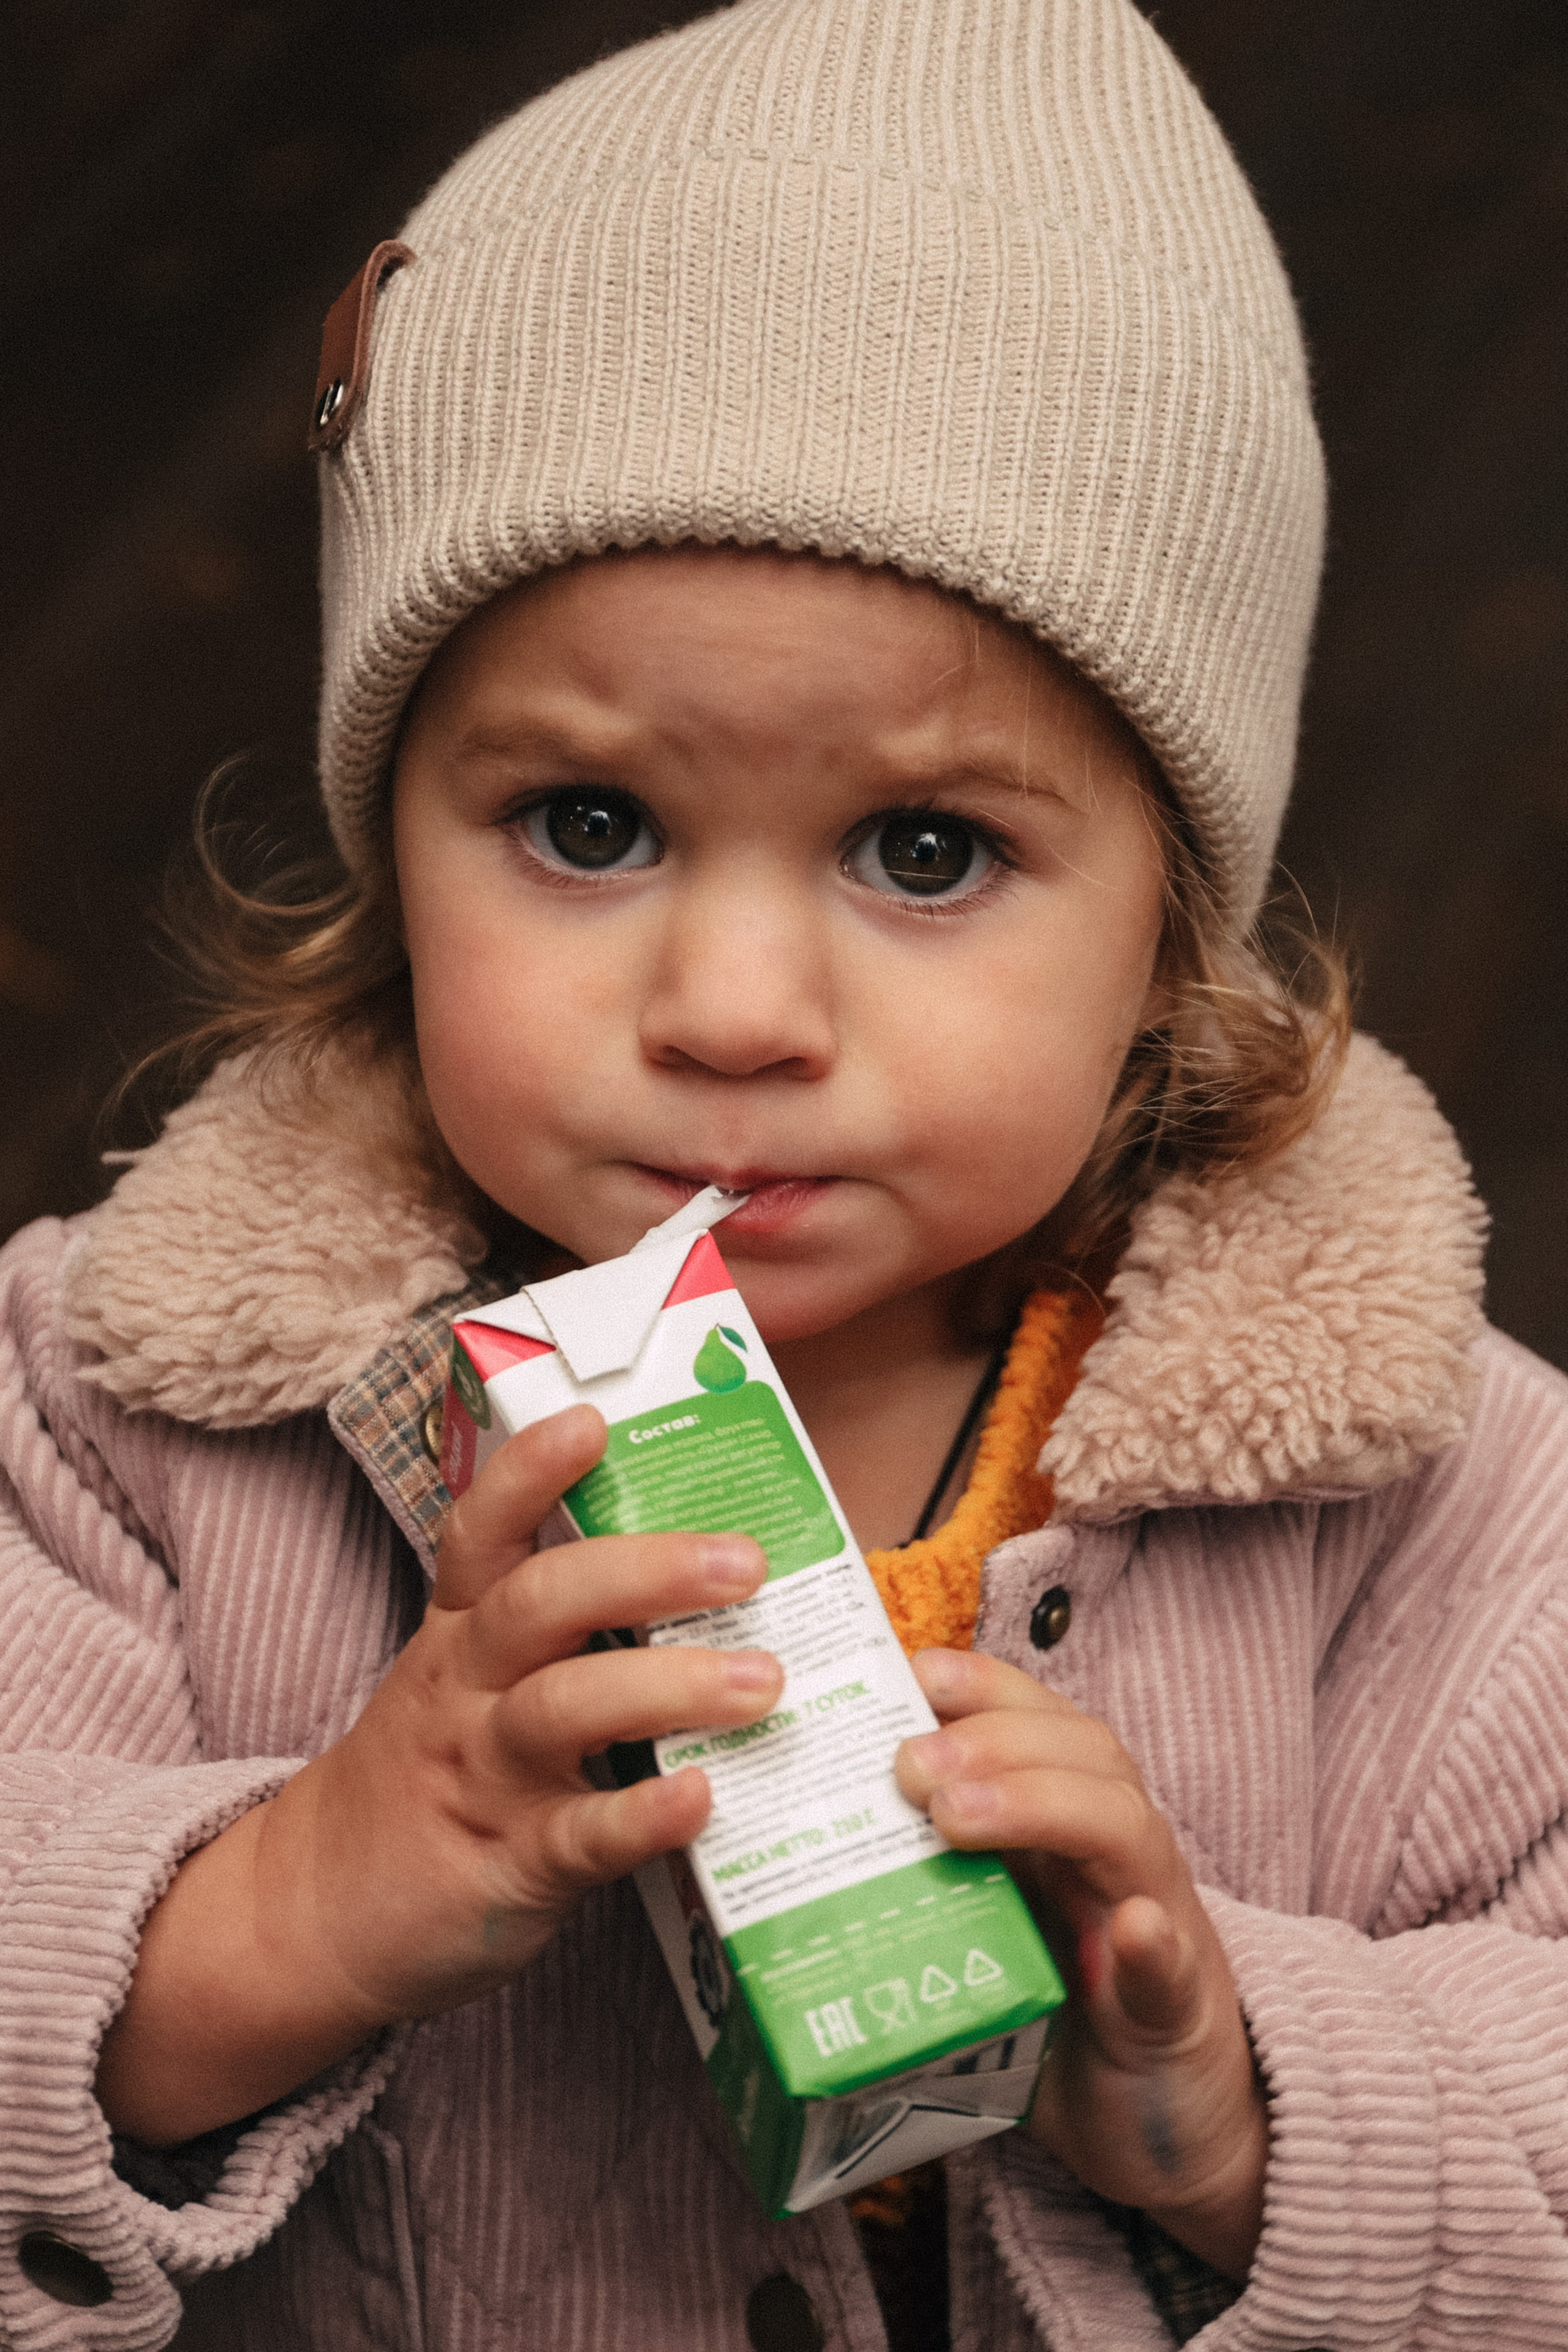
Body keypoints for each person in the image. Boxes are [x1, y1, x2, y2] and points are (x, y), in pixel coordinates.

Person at [2, 1, 1566, 2346]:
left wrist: (1232, 2100)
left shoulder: (1444, 1502)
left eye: (925, 849)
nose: (735, 1003)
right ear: (391, 840)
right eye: (589, 826)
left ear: (1169, 936)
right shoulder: (114, 1409)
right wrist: (270, 1914)